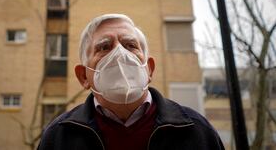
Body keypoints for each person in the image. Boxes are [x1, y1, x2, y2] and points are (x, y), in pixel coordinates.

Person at [38, 13, 224, 150]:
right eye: (104, 47)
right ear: (84, 77)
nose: (120, 54)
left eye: (130, 45)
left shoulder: (197, 131)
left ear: (149, 68)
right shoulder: (57, 137)